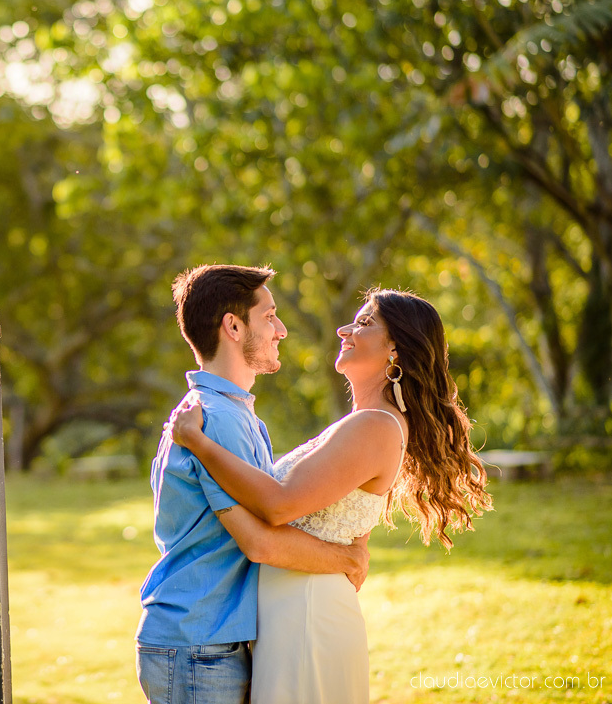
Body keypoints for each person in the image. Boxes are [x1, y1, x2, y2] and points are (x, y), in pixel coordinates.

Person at [167, 286, 493, 704]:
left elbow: (278, 504)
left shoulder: (375, 425)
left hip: (307, 617)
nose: (345, 329)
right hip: (291, 613)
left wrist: (198, 443)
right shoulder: (366, 423)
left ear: (396, 348)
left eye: (364, 323)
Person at [137, 264, 371, 704]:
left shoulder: (225, 413)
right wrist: (347, 559)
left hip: (204, 640)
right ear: (232, 326)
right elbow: (261, 542)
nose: (280, 330)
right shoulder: (217, 419)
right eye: (269, 316)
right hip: (199, 645)